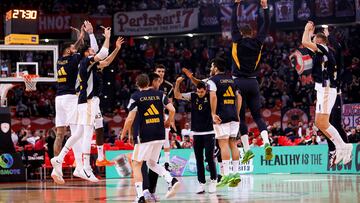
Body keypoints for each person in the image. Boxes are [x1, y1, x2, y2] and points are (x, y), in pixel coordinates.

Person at [51, 26, 124, 184]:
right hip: (83, 100)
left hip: (70, 98)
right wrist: (106, 37)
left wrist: (116, 49)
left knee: (75, 133)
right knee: (83, 133)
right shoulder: (82, 61)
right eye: (89, 50)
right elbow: (100, 53)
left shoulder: (67, 61)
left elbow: (104, 59)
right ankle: (84, 166)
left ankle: (61, 161)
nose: (92, 51)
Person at [120, 74, 180, 203]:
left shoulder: (135, 97)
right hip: (159, 134)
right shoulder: (160, 94)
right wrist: (169, 121)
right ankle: (171, 180)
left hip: (144, 135)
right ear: (148, 83)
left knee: (136, 164)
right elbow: (173, 109)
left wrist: (123, 133)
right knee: (152, 163)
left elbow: (130, 118)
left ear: (137, 84)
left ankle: (140, 196)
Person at [301, 21, 352, 165]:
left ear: (320, 42)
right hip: (325, 89)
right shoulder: (324, 52)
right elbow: (308, 43)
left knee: (322, 122)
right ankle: (341, 146)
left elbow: (304, 42)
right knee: (319, 123)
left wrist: (306, 29)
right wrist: (311, 32)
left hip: (326, 88)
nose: (313, 43)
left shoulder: (323, 49)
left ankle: (343, 146)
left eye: (315, 41)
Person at [231, 0, 273, 163]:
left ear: (241, 32)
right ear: (252, 32)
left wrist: (236, 5)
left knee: (241, 117)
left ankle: (247, 150)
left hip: (238, 83)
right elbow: (266, 26)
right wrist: (265, 8)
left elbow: (233, 22)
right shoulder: (258, 42)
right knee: (258, 116)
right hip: (253, 83)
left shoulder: (237, 40)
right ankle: (267, 142)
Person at [174, 78, 217, 194]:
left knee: (209, 157)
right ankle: (201, 184)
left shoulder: (211, 96)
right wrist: (177, 83)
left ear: (206, 90)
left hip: (209, 132)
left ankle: (213, 181)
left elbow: (214, 91)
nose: (200, 94)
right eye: (198, 91)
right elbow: (177, 95)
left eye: (202, 92)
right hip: (196, 133)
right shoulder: (192, 96)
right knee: (199, 160)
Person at [207, 57, 242, 188]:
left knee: (223, 144)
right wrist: (237, 113)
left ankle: (226, 175)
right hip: (233, 115)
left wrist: (213, 113)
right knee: (233, 144)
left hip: (221, 116)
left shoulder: (212, 81)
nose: (211, 69)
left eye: (212, 66)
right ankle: (237, 174)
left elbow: (213, 96)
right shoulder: (232, 80)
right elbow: (239, 96)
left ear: (216, 67)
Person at [154, 64, 174, 171]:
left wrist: (170, 119)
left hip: (165, 115)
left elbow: (170, 102)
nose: (161, 73)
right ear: (155, 72)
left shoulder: (169, 86)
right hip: (153, 115)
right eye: (159, 71)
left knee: (166, 138)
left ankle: (167, 163)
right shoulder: (151, 84)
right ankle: (155, 159)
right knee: (155, 138)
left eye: (162, 71)